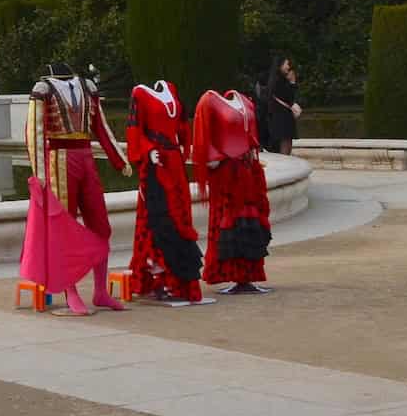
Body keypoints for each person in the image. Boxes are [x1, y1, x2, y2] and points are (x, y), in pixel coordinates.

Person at [20, 62, 131, 315]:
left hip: (84, 157)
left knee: (101, 225)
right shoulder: (43, 90)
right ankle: (71, 291)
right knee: (65, 228)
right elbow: (35, 133)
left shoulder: (85, 87)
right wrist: (39, 173)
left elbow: (100, 126)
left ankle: (100, 291)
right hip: (59, 159)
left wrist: (118, 158)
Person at [125, 80, 204, 304]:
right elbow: (134, 129)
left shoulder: (171, 89)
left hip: (174, 162)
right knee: (160, 218)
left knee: (180, 217)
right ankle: (160, 278)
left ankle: (178, 280)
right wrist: (148, 151)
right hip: (156, 165)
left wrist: (184, 146)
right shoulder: (139, 94)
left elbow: (181, 125)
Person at [193, 87, 272, 294]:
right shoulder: (209, 101)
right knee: (230, 220)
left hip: (247, 171)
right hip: (228, 174)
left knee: (250, 220)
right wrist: (214, 159)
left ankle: (248, 275)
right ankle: (234, 274)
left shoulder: (244, 101)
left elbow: (251, 137)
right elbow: (203, 136)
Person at [262, 57, 302, 154]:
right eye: (286, 64)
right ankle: (286, 167)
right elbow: (290, 98)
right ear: (280, 65)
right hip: (283, 119)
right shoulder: (280, 80)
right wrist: (292, 82)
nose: (288, 67)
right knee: (285, 145)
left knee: (282, 145)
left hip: (279, 118)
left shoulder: (274, 79)